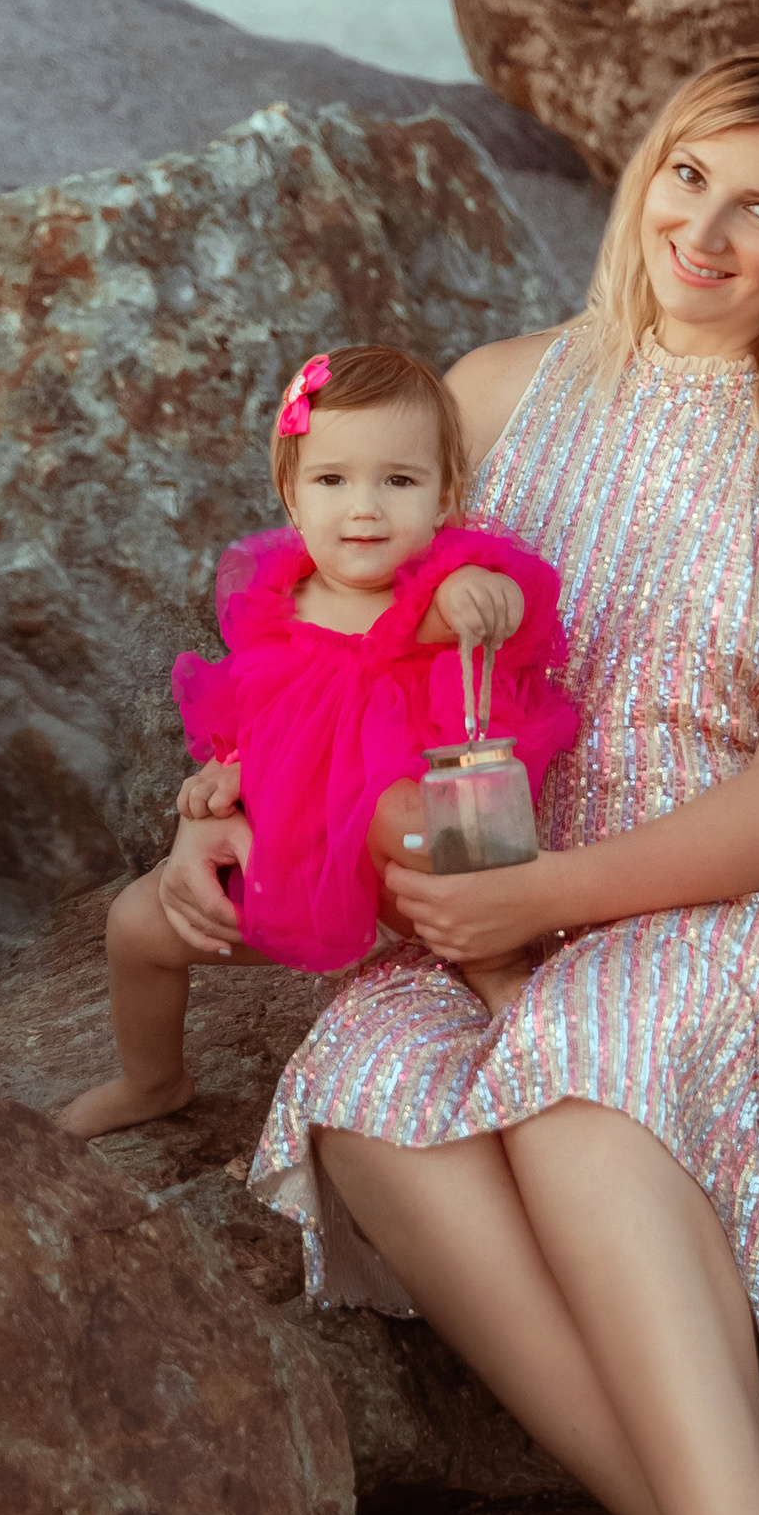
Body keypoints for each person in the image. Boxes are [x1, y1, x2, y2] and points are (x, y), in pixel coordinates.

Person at [148, 42, 759, 1515]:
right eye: (686, 180)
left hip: (749, 895)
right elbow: (330, 635)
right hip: (492, 874)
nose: (708, 234)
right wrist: (227, 799)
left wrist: (543, 909)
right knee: (363, 1094)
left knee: (585, 1082)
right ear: (638, 174)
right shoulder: (506, 394)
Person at [53, 342, 576, 1142]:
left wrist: (481, 592)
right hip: (294, 856)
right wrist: (216, 777)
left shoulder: (438, 589)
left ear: (444, 499)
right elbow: (251, 708)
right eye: (333, 481)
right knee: (136, 926)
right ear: (292, 498)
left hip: (412, 871)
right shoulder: (273, 598)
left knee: (410, 814)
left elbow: (508, 598)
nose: (364, 508)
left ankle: (498, 965)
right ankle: (151, 1079)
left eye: (398, 481)